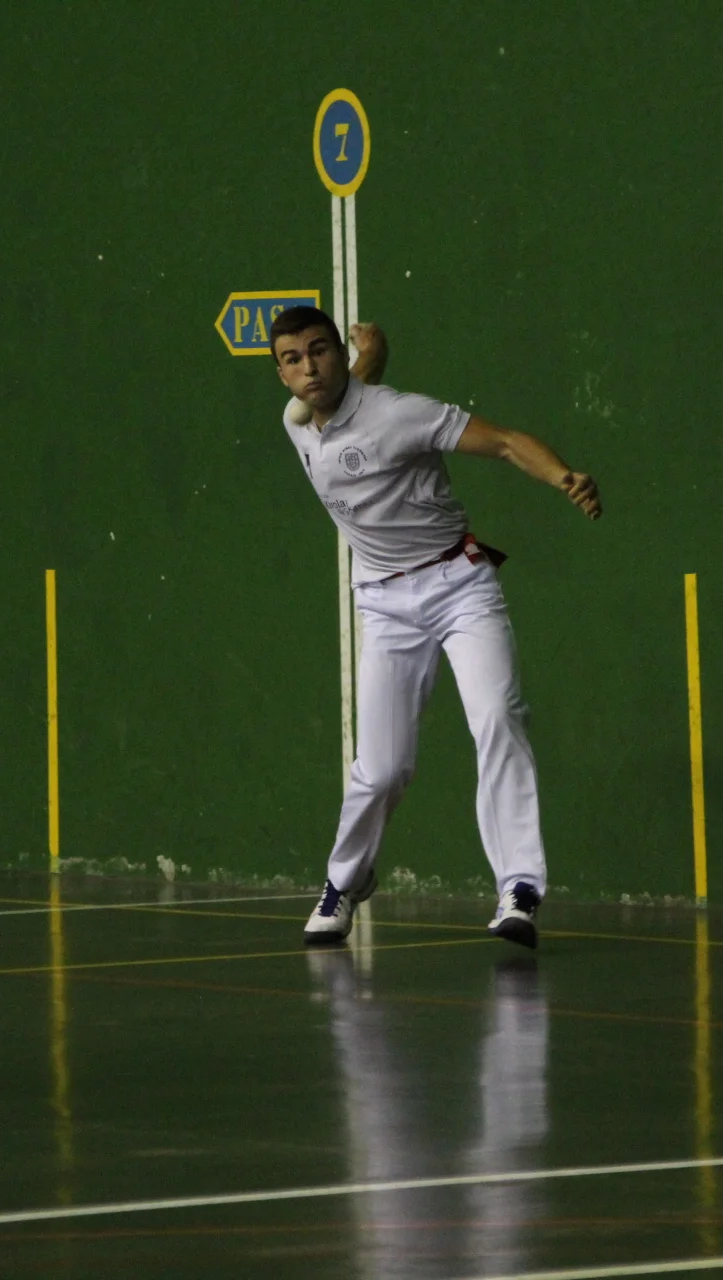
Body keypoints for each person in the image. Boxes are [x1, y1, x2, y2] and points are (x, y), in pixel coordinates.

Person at [273, 307, 601, 949]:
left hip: (459, 586)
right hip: (383, 605)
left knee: (498, 717)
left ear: (338, 351)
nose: (309, 367)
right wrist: (375, 352)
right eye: (293, 359)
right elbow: (344, 389)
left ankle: (519, 888)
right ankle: (344, 882)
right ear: (282, 375)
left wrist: (564, 476)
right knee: (382, 768)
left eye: (320, 350)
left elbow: (504, 441)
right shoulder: (296, 422)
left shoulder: (402, 413)